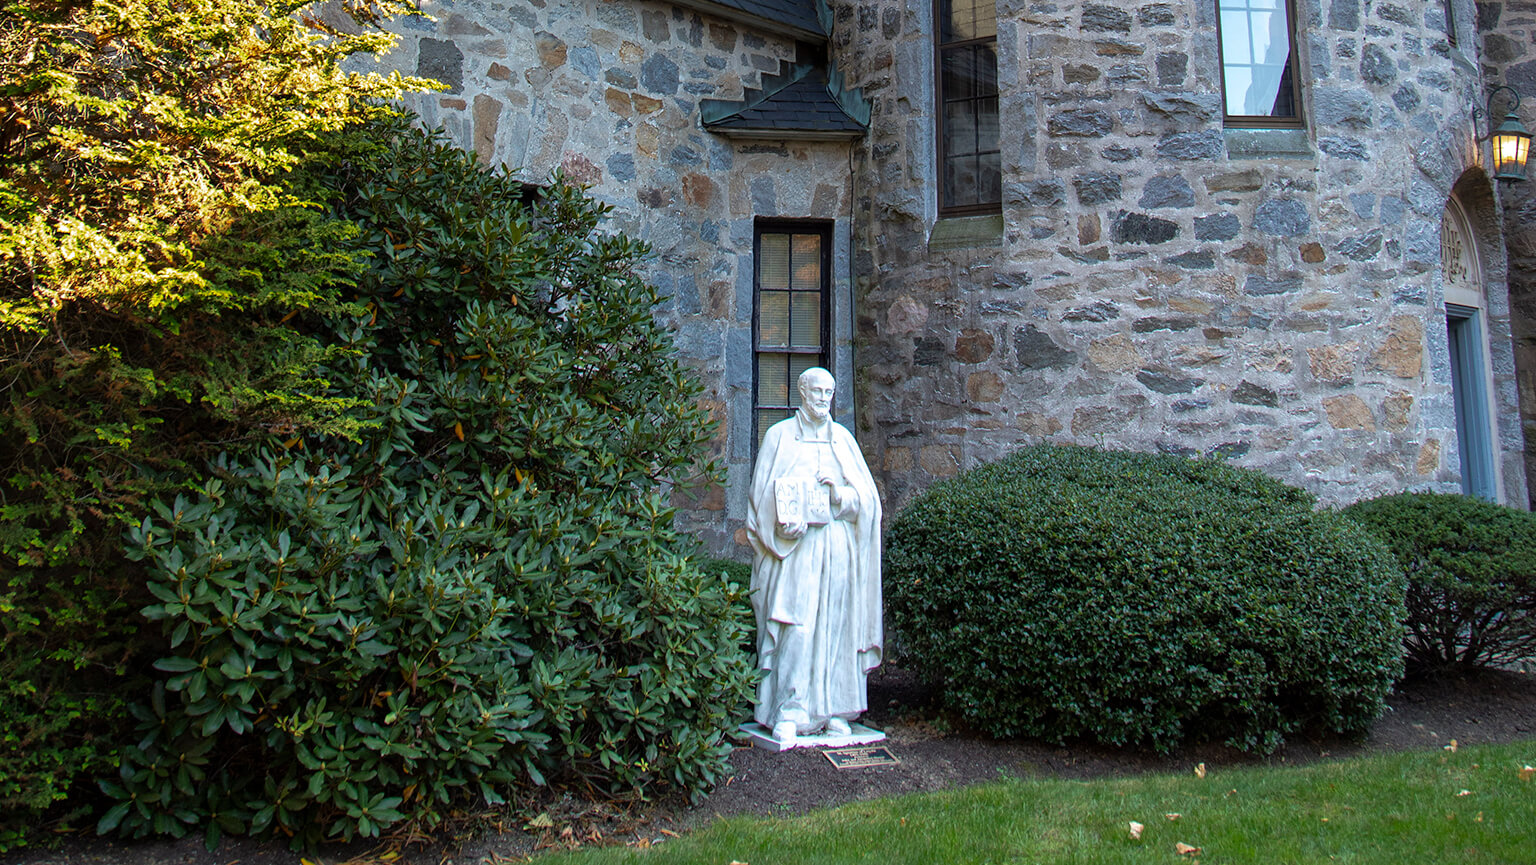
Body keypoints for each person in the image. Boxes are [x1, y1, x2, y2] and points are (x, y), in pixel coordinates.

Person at [746, 367, 882, 743]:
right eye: (817, 392)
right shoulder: (779, 438)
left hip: (837, 549)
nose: (824, 399)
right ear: (802, 393)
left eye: (830, 393)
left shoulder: (843, 440)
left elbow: (867, 503)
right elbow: (760, 499)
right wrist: (783, 527)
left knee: (838, 626)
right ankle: (790, 709)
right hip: (796, 552)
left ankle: (838, 709)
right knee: (797, 627)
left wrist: (839, 494)